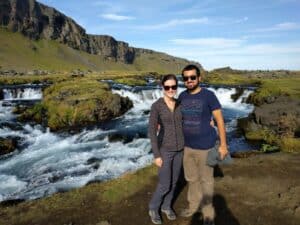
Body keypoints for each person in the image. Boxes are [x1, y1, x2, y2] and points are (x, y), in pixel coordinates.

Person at [178, 64, 228, 225]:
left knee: (206, 181)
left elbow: (219, 120)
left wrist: (223, 145)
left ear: (199, 78)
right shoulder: (182, 96)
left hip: (206, 147)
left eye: (192, 77)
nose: (189, 80)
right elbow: (178, 118)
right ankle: (193, 207)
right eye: (186, 78)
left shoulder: (209, 96)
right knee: (191, 179)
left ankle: (208, 215)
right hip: (187, 147)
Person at [148, 74, 184, 224]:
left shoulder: (180, 103)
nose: (171, 90)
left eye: (173, 87)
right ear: (162, 87)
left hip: (180, 149)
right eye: (167, 87)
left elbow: (191, 119)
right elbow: (151, 131)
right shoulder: (157, 106)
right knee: (164, 183)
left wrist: (208, 120)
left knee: (175, 181)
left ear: (176, 87)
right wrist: (157, 155)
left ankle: (166, 206)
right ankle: (153, 208)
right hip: (165, 150)